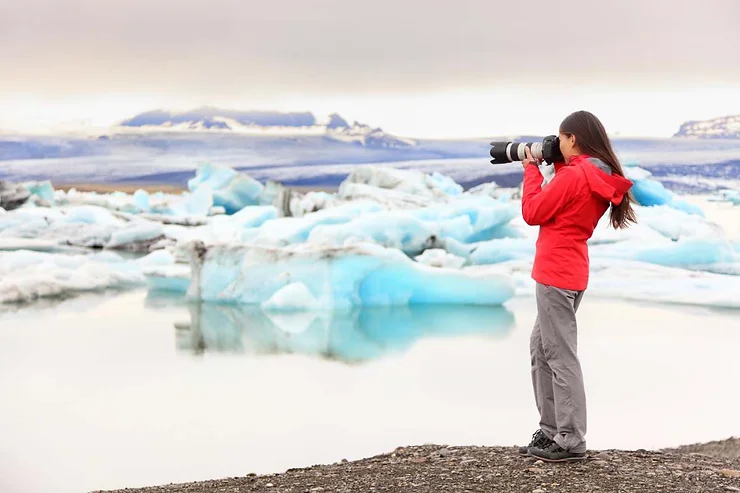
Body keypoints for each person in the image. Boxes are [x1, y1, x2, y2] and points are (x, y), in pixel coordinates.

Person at [517, 110, 636, 462]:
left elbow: (533, 212)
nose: (558, 144)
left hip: (555, 273)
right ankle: (552, 430)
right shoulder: (595, 174)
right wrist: (555, 169)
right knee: (542, 349)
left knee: (558, 354)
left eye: (561, 138)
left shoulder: (578, 175)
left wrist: (530, 168)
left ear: (573, 138)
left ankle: (569, 439)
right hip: (570, 270)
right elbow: (565, 207)